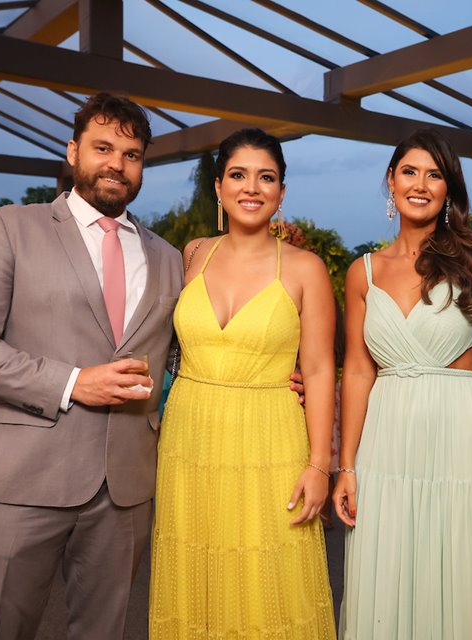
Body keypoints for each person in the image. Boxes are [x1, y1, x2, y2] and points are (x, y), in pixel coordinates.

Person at [0, 92, 183, 639]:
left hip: (124, 490)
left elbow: (180, 354)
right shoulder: (8, 227)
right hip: (20, 478)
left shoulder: (168, 256)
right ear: (73, 152)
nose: (117, 163)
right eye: (103, 147)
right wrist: (73, 382)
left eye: (133, 154)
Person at [332, 129, 472, 639]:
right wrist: (347, 466)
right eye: (410, 171)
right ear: (391, 181)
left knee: (465, 568)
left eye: (435, 174)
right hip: (387, 440)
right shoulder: (363, 273)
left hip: (464, 436)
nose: (420, 184)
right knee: (389, 571)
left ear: (449, 189)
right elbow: (358, 371)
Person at [148, 128, 336, 638]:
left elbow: (319, 370)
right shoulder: (192, 254)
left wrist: (321, 463)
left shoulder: (306, 269)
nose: (251, 188)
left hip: (270, 439)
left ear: (281, 191)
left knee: (270, 576)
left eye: (266, 177)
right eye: (238, 175)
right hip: (191, 438)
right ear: (218, 187)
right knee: (197, 573)